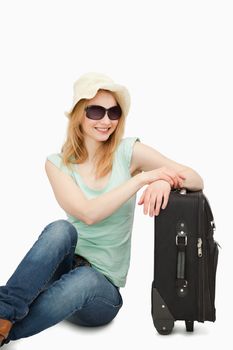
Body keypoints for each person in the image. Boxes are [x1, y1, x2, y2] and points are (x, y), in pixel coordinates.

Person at [0, 72, 204, 347]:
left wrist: (164, 181)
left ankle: (6, 332)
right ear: (78, 115)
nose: (106, 120)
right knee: (61, 229)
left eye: (113, 112)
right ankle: (3, 314)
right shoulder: (57, 164)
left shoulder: (128, 152)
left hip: (101, 291)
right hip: (64, 269)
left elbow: (194, 177)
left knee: (85, 279)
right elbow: (88, 213)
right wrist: (143, 178)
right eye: (95, 111)